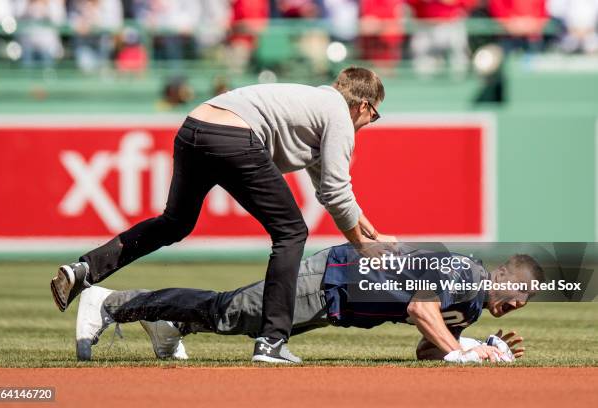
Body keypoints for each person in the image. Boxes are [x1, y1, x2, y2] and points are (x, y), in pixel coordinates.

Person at [51, 66, 395, 364]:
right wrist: (363, 249)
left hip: (193, 127)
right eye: (374, 115)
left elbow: (332, 192)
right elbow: (336, 193)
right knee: (291, 233)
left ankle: (85, 269)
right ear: (363, 105)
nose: (369, 122)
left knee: (176, 223)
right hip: (235, 136)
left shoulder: (315, 103)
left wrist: (372, 236)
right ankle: (272, 341)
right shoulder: (339, 115)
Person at [74, 242, 541, 363]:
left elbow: (426, 348)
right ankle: (112, 301)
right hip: (331, 281)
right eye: (517, 290)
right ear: (502, 273)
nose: (516, 303)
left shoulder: (475, 303)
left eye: (524, 303)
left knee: (233, 320)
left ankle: (173, 326)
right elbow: (421, 310)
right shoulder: (463, 272)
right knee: (229, 310)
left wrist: (481, 343)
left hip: (336, 305)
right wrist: (462, 353)